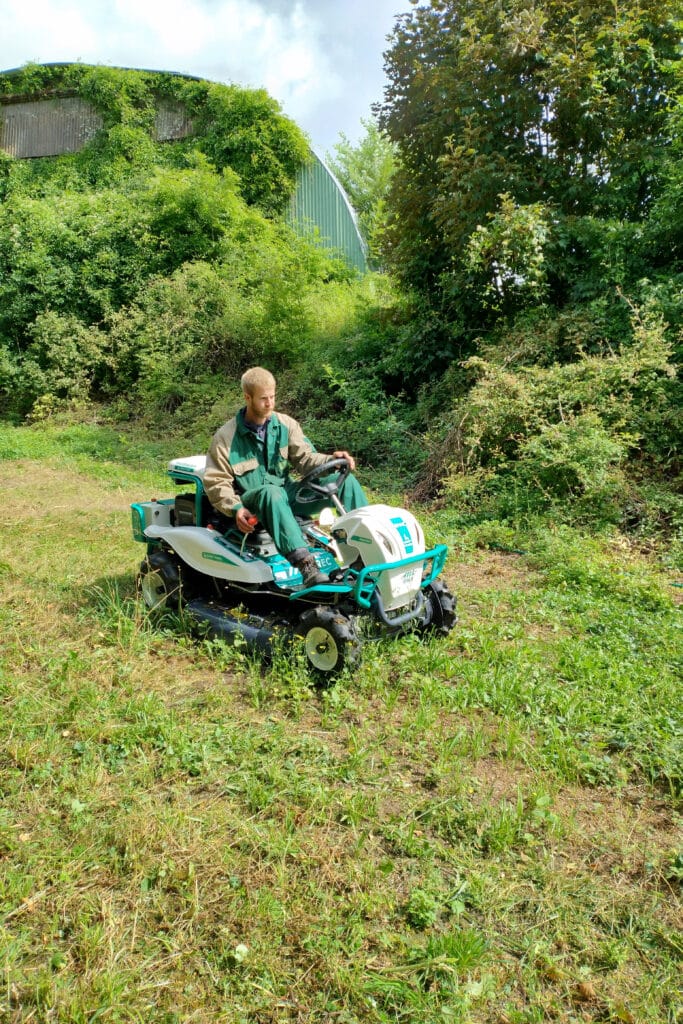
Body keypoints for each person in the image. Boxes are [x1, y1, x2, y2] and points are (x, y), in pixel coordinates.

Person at [203, 367, 368, 586]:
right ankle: (306, 566)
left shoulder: (286, 425)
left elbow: (306, 459)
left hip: (284, 494)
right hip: (252, 501)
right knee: (272, 493)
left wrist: (330, 461)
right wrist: (235, 508)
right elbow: (217, 482)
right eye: (263, 398)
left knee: (346, 483)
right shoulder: (226, 437)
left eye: (272, 397)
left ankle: (364, 554)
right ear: (247, 397)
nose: (270, 403)